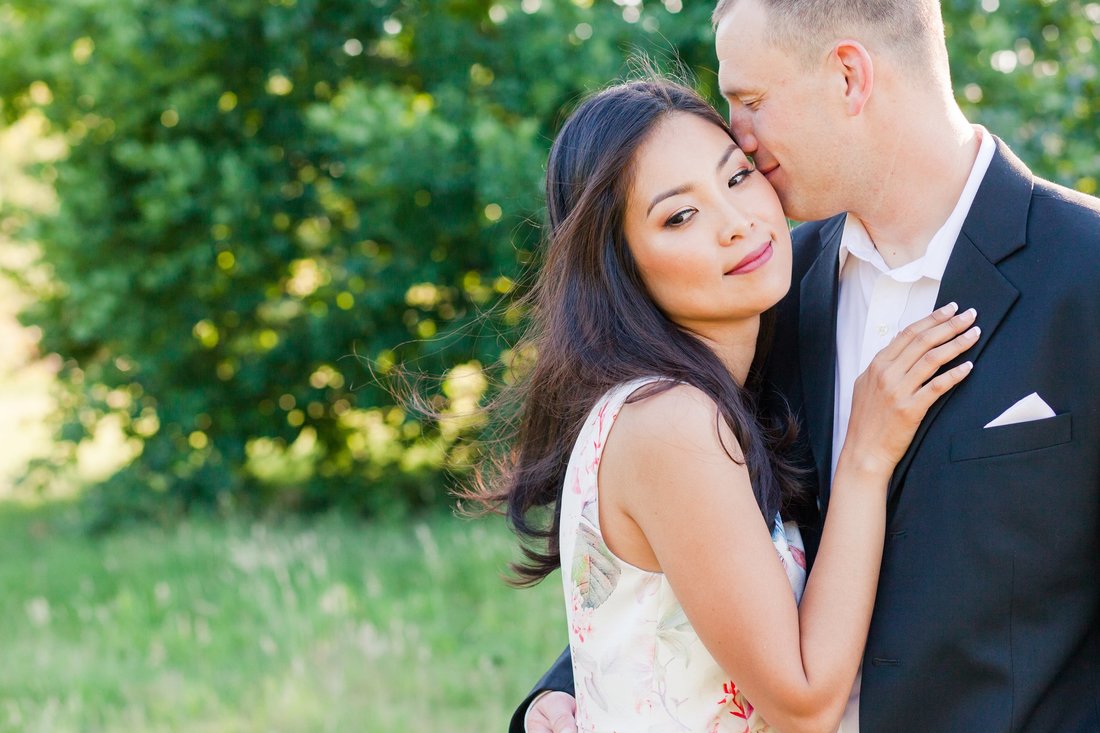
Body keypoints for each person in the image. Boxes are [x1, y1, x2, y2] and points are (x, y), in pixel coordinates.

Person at [518, 1, 1100, 732]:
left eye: (750, 102)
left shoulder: (1087, 273)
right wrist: (566, 689)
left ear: (850, 76)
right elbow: (701, 546)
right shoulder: (765, 293)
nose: (739, 135)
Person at [479, 76, 977, 733]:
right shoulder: (670, 420)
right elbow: (803, 704)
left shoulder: (705, 395)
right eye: (680, 215)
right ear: (618, 263)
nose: (736, 223)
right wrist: (865, 455)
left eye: (738, 178)